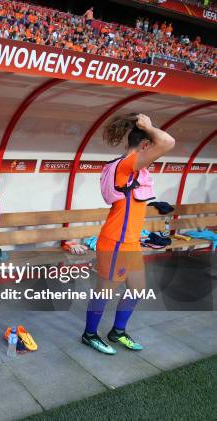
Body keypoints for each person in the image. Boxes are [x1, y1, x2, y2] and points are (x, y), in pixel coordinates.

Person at [82, 113, 175, 354]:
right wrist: (150, 127)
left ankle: (118, 331)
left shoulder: (133, 167)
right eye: (150, 148)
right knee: (104, 292)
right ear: (145, 145)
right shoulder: (127, 164)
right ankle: (89, 334)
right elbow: (168, 142)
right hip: (115, 242)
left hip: (130, 242)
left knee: (137, 289)